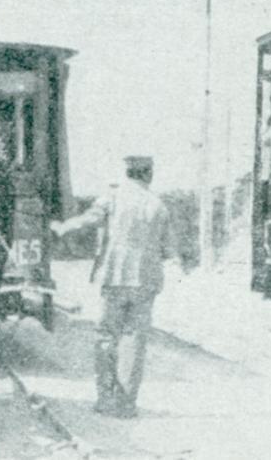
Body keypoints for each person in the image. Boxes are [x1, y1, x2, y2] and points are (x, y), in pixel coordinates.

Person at [48, 156, 181, 418]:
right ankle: (127, 404)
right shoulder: (159, 205)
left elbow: (89, 219)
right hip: (146, 282)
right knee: (135, 340)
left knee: (107, 337)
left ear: (127, 172)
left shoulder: (113, 197)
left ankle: (106, 399)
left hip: (115, 278)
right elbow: (169, 249)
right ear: (148, 174)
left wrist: (62, 227)